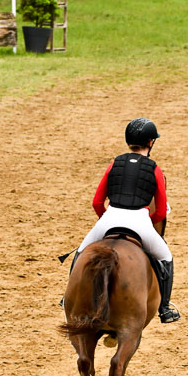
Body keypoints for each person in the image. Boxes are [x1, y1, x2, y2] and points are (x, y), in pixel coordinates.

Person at [75, 118, 180, 323]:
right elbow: (160, 212)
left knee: (80, 254)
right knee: (166, 257)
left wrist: (107, 220)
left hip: (109, 218)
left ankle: (69, 297)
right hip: (140, 223)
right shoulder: (155, 170)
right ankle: (165, 308)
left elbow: (97, 202)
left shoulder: (115, 163)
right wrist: (147, 222)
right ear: (150, 142)